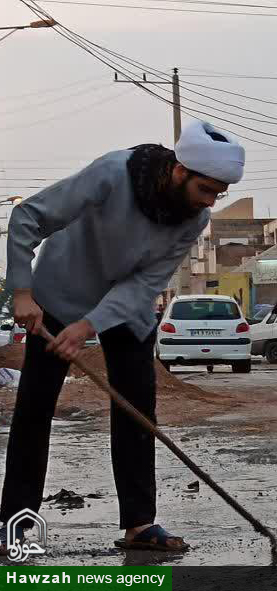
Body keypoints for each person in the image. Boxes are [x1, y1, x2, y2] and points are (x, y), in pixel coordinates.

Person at [0, 120, 245, 553]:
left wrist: (89, 325)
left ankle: (139, 524)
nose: (210, 203)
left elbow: (143, 284)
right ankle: (14, 523)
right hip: (59, 295)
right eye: (206, 189)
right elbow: (29, 216)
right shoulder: (113, 173)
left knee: (136, 409)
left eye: (218, 194)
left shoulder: (193, 218)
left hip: (124, 310)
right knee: (36, 408)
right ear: (179, 171)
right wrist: (22, 291)